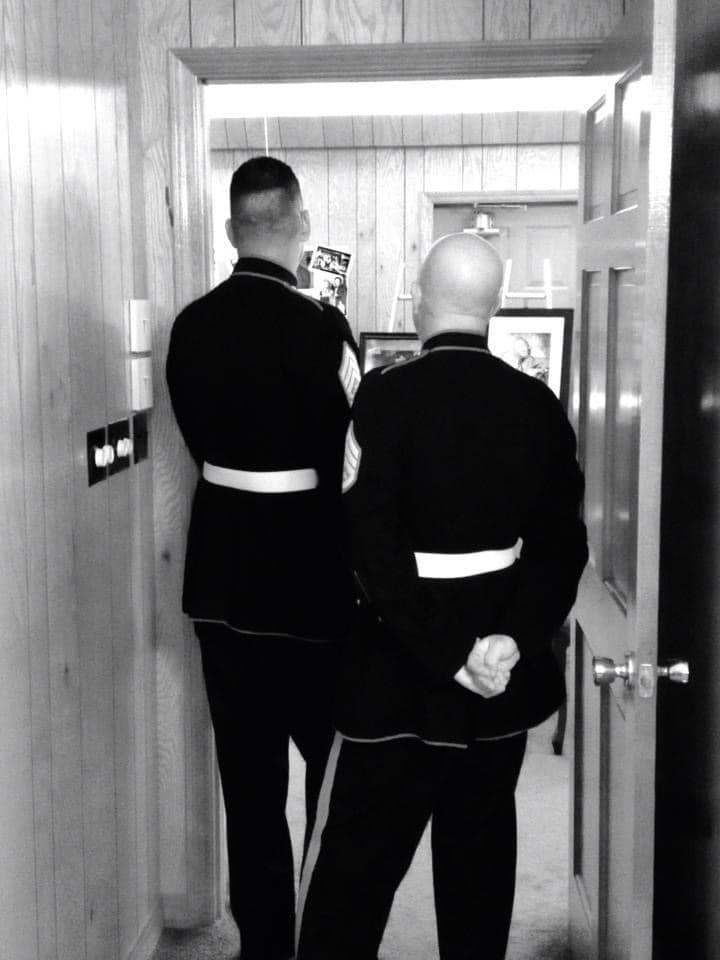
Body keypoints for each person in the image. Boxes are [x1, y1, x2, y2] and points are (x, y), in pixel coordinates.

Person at [296, 232, 588, 960]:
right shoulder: (538, 405)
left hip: (394, 673)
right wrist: (509, 641)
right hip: (498, 677)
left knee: (350, 880)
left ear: (421, 302)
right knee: (478, 871)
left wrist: (449, 654)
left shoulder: (383, 395)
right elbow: (562, 547)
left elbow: (367, 547)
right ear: (496, 306)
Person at [166, 156, 360, 960]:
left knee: (248, 787)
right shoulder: (323, 329)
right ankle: (323, 934)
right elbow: (350, 463)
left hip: (222, 579)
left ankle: (264, 945)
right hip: (311, 586)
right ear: (303, 226)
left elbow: (197, 442)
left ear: (230, 229)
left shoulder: (191, 326)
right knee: (331, 776)